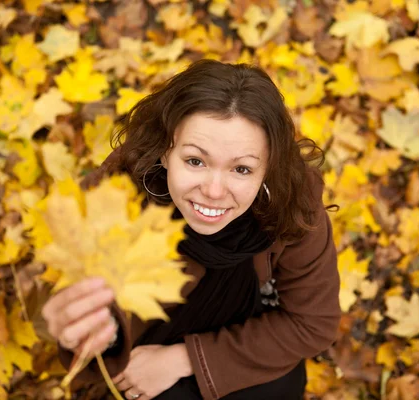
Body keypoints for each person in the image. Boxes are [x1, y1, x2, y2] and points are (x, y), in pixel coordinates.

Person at [41, 59, 341, 400]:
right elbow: (89, 298)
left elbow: (312, 322)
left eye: (241, 169)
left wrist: (186, 359)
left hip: (249, 343)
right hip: (143, 350)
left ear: (268, 169)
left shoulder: (293, 203)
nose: (214, 191)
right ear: (165, 151)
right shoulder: (112, 196)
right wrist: (99, 333)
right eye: (195, 161)